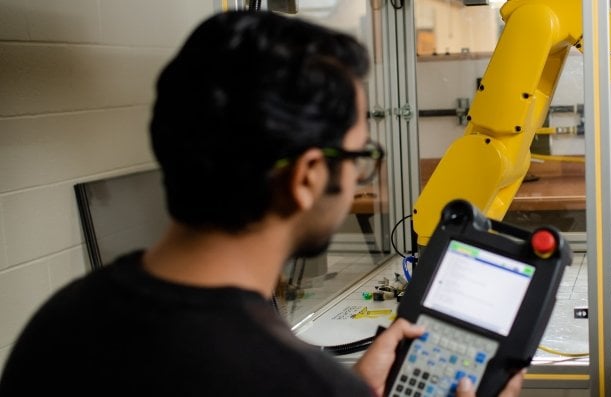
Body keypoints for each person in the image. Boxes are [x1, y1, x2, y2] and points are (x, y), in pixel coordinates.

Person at [0, 11, 523, 396]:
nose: (367, 178)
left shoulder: (60, 321)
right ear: (307, 177)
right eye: (361, 154)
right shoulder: (294, 381)